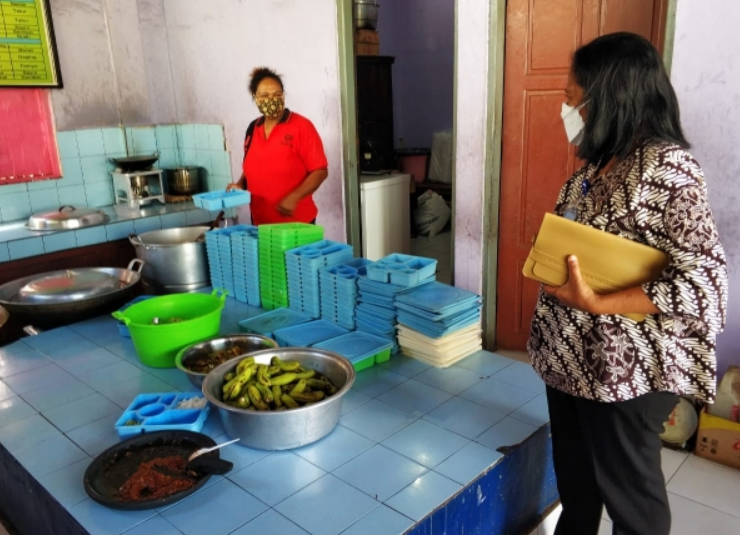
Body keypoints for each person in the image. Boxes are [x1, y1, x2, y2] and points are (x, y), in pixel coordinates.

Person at [527, 32, 728, 535]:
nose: (566, 111)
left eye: (572, 99)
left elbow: (705, 282)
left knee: (631, 501)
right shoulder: (598, 166)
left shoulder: (668, 169)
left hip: (625, 373)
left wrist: (598, 302)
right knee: (577, 486)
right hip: (572, 362)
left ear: (610, 97)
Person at [227, 67, 328, 225]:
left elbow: (320, 171)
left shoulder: (302, 127)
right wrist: (240, 185)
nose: (271, 100)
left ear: (283, 95)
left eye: (277, 94)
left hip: (297, 225)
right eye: (264, 95)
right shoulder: (253, 128)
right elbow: (251, 168)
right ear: (255, 97)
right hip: (260, 224)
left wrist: (295, 196)